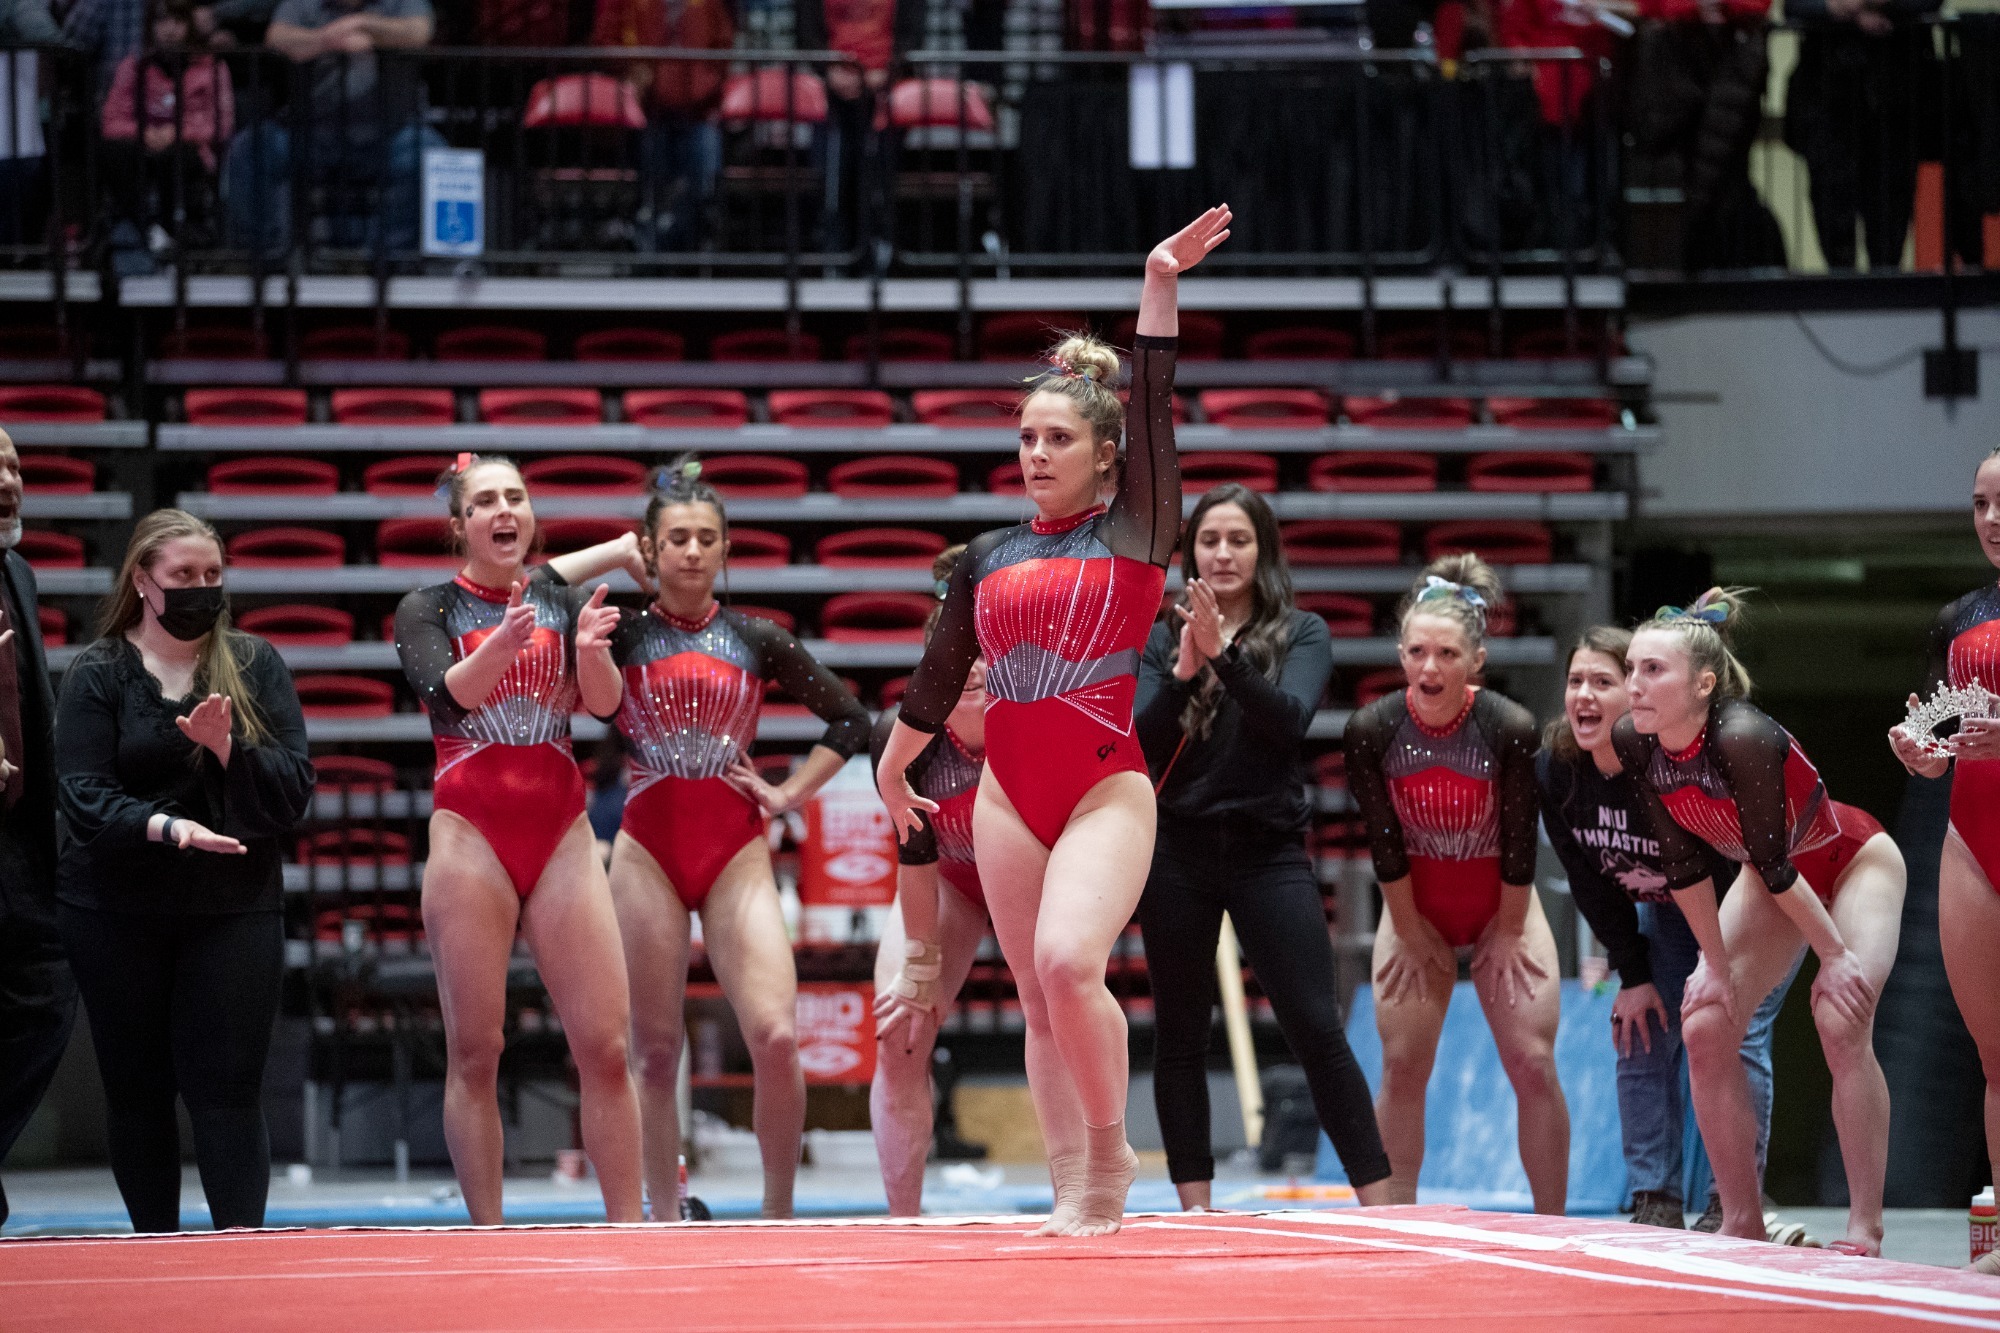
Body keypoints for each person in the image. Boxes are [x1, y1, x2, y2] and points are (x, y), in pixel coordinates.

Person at [878, 206, 1232, 1237]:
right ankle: (1072, 1183)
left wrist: (1157, 277)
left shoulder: (1138, 526)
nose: (1034, 452)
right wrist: (894, 767)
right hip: (1004, 796)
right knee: (1035, 996)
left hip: (1101, 785)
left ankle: (1112, 1150)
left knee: (1072, 961)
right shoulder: (987, 557)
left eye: (1056, 437)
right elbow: (939, 672)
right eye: (1025, 436)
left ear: (1107, 453)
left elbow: (1156, 394)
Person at [607, 459, 871, 1220]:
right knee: (655, 1053)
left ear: (726, 550)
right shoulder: (620, 634)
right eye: (678, 538)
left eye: (707, 538)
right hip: (647, 852)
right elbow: (548, 610)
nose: (692, 551)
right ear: (650, 552)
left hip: (735, 848)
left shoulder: (756, 636)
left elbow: (852, 720)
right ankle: (663, 1207)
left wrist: (789, 793)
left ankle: (777, 1212)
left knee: (777, 1034)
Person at [392, 453, 648, 1225]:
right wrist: (502, 643)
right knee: (478, 1051)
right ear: (460, 525)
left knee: (605, 1047)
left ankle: (633, 1232)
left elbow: (603, 708)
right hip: (471, 834)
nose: (504, 509)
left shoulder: (554, 598)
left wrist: (595, 658)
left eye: (517, 497)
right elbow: (449, 696)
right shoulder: (425, 607)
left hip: (561, 832)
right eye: (486, 501)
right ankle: (489, 1236)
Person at [1616, 588, 1905, 1255]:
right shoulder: (1637, 740)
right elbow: (1682, 863)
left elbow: (1777, 864)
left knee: (1839, 1016)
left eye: (1652, 670)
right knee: (1706, 1019)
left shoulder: (1741, 733)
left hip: (1853, 859)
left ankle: (1865, 1225)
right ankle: (1740, 1217)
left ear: (1703, 683)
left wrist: (1834, 956)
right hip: (1767, 878)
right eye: (1630, 668)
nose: (1633, 685)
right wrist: (1711, 966)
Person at [1132, 483, 1392, 1209]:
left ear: (1262, 551)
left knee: (1314, 1022)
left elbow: (1288, 722)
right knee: (1180, 1031)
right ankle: (1195, 1206)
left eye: (1238, 540)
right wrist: (1186, 670)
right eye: (1209, 539)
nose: (1222, 553)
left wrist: (1226, 659)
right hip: (1176, 851)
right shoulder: (1160, 638)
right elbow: (1142, 745)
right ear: (1190, 553)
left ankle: (1378, 1199)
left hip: (1267, 851)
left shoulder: (1302, 631)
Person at [52, 509, 312, 1232]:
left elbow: (294, 786)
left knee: (228, 1092)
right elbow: (82, 795)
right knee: (137, 1090)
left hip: (232, 905)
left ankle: (238, 1254)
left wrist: (230, 750)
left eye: (213, 576)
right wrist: (168, 827)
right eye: (183, 576)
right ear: (143, 581)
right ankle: (156, 1253)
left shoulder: (256, 664)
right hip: (115, 910)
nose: (202, 588)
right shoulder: (97, 672)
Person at [1539, 626, 1802, 1233]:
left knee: (1730, 1033)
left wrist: (1716, 962)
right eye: (1576, 680)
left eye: (1602, 682)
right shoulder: (1557, 770)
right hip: (1669, 912)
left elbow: (1726, 866)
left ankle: (1729, 1204)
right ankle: (1654, 1199)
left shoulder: (1661, 758)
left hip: (1748, 899)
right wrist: (1632, 973)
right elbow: (1590, 881)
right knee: (1639, 1028)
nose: (1584, 694)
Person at [1343, 553, 1568, 1213]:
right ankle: (1395, 1214)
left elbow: (1523, 838)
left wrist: (1507, 924)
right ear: (1401, 654)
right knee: (1403, 1067)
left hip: (1506, 904)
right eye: (1417, 651)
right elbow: (1384, 842)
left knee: (1532, 1061)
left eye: (1447, 653)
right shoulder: (1374, 730)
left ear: (1476, 660)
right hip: (1415, 907)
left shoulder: (1508, 727)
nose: (1430, 667)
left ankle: (1552, 1221)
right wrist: (1410, 933)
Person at [1890, 447, 2000, 1273]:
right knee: (1995, 1054)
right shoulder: (1959, 617)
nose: (1992, 519)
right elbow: (1942, 728)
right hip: (1973, 841)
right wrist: (1924, 755)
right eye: (1979, 503)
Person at [870, 545, 991, 1217]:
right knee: (900, 1029)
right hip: (949, 879)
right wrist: (919, 963)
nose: (968, 669)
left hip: (1030, 873)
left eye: (980, 650)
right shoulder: (905, 738)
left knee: (1061, 1012)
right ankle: (903, 1221)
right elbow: (914, 857)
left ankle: (1082, 1193)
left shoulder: (1024, 723)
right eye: (953, 655)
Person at [0, 430, 76, 1229]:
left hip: (22, 843)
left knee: (48, 1001)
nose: (9, 480)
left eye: (16, 466)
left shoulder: (16, 571)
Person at [224, 0, 442, 254]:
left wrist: (361, 24)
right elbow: (277, 37)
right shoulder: (305, 4)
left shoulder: (402, 3)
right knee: (251, 149)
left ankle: (386, 260)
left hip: (388, 136)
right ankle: (262, 258)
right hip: (310, 134)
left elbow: (419, 32)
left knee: (430, 153)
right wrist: (327, 40)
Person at [591, 0, 733, 251]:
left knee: (702, 191)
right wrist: (632, 68)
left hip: (699, 111)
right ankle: (652, 262)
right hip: (649, 111)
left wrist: (704, 85)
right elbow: (605, 38)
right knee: (652, 193)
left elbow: (723, 42)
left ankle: (694, 263)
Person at [100, 0, 234, 250]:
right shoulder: (134, 66)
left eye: (178, 21)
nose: (170, 29)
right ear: (150, 26)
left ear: (190, 26)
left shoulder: (212, 68)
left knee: (177, 156)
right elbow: (111, 119)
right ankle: (142, 229)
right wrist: (146, 133)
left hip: (191, 150)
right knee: (116, 152)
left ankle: (182, 235)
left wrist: (176, 133)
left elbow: (221, 124)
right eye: (162, 21)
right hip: (143, 145)